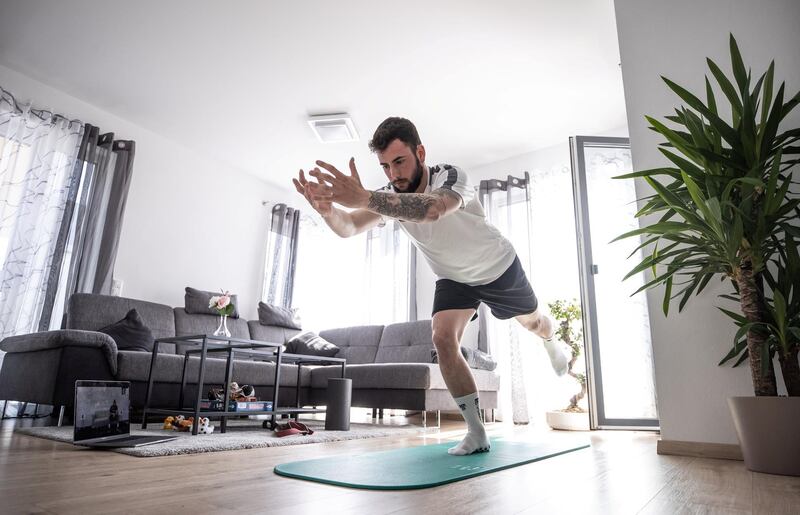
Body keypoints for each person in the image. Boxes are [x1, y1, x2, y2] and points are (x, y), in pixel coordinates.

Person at [293, 117, 568, 456]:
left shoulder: (452, 177)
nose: (393, 174)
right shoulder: (386, 196)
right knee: (441, 338)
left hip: (497, 267)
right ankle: (477, 431)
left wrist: (364, 197)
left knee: (534, 323)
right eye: (385, 166)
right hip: (453, 279)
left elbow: (434, 209)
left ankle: (552, 342)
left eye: (399, 162)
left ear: (420, 152)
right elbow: (348, 226)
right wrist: (327, 211)